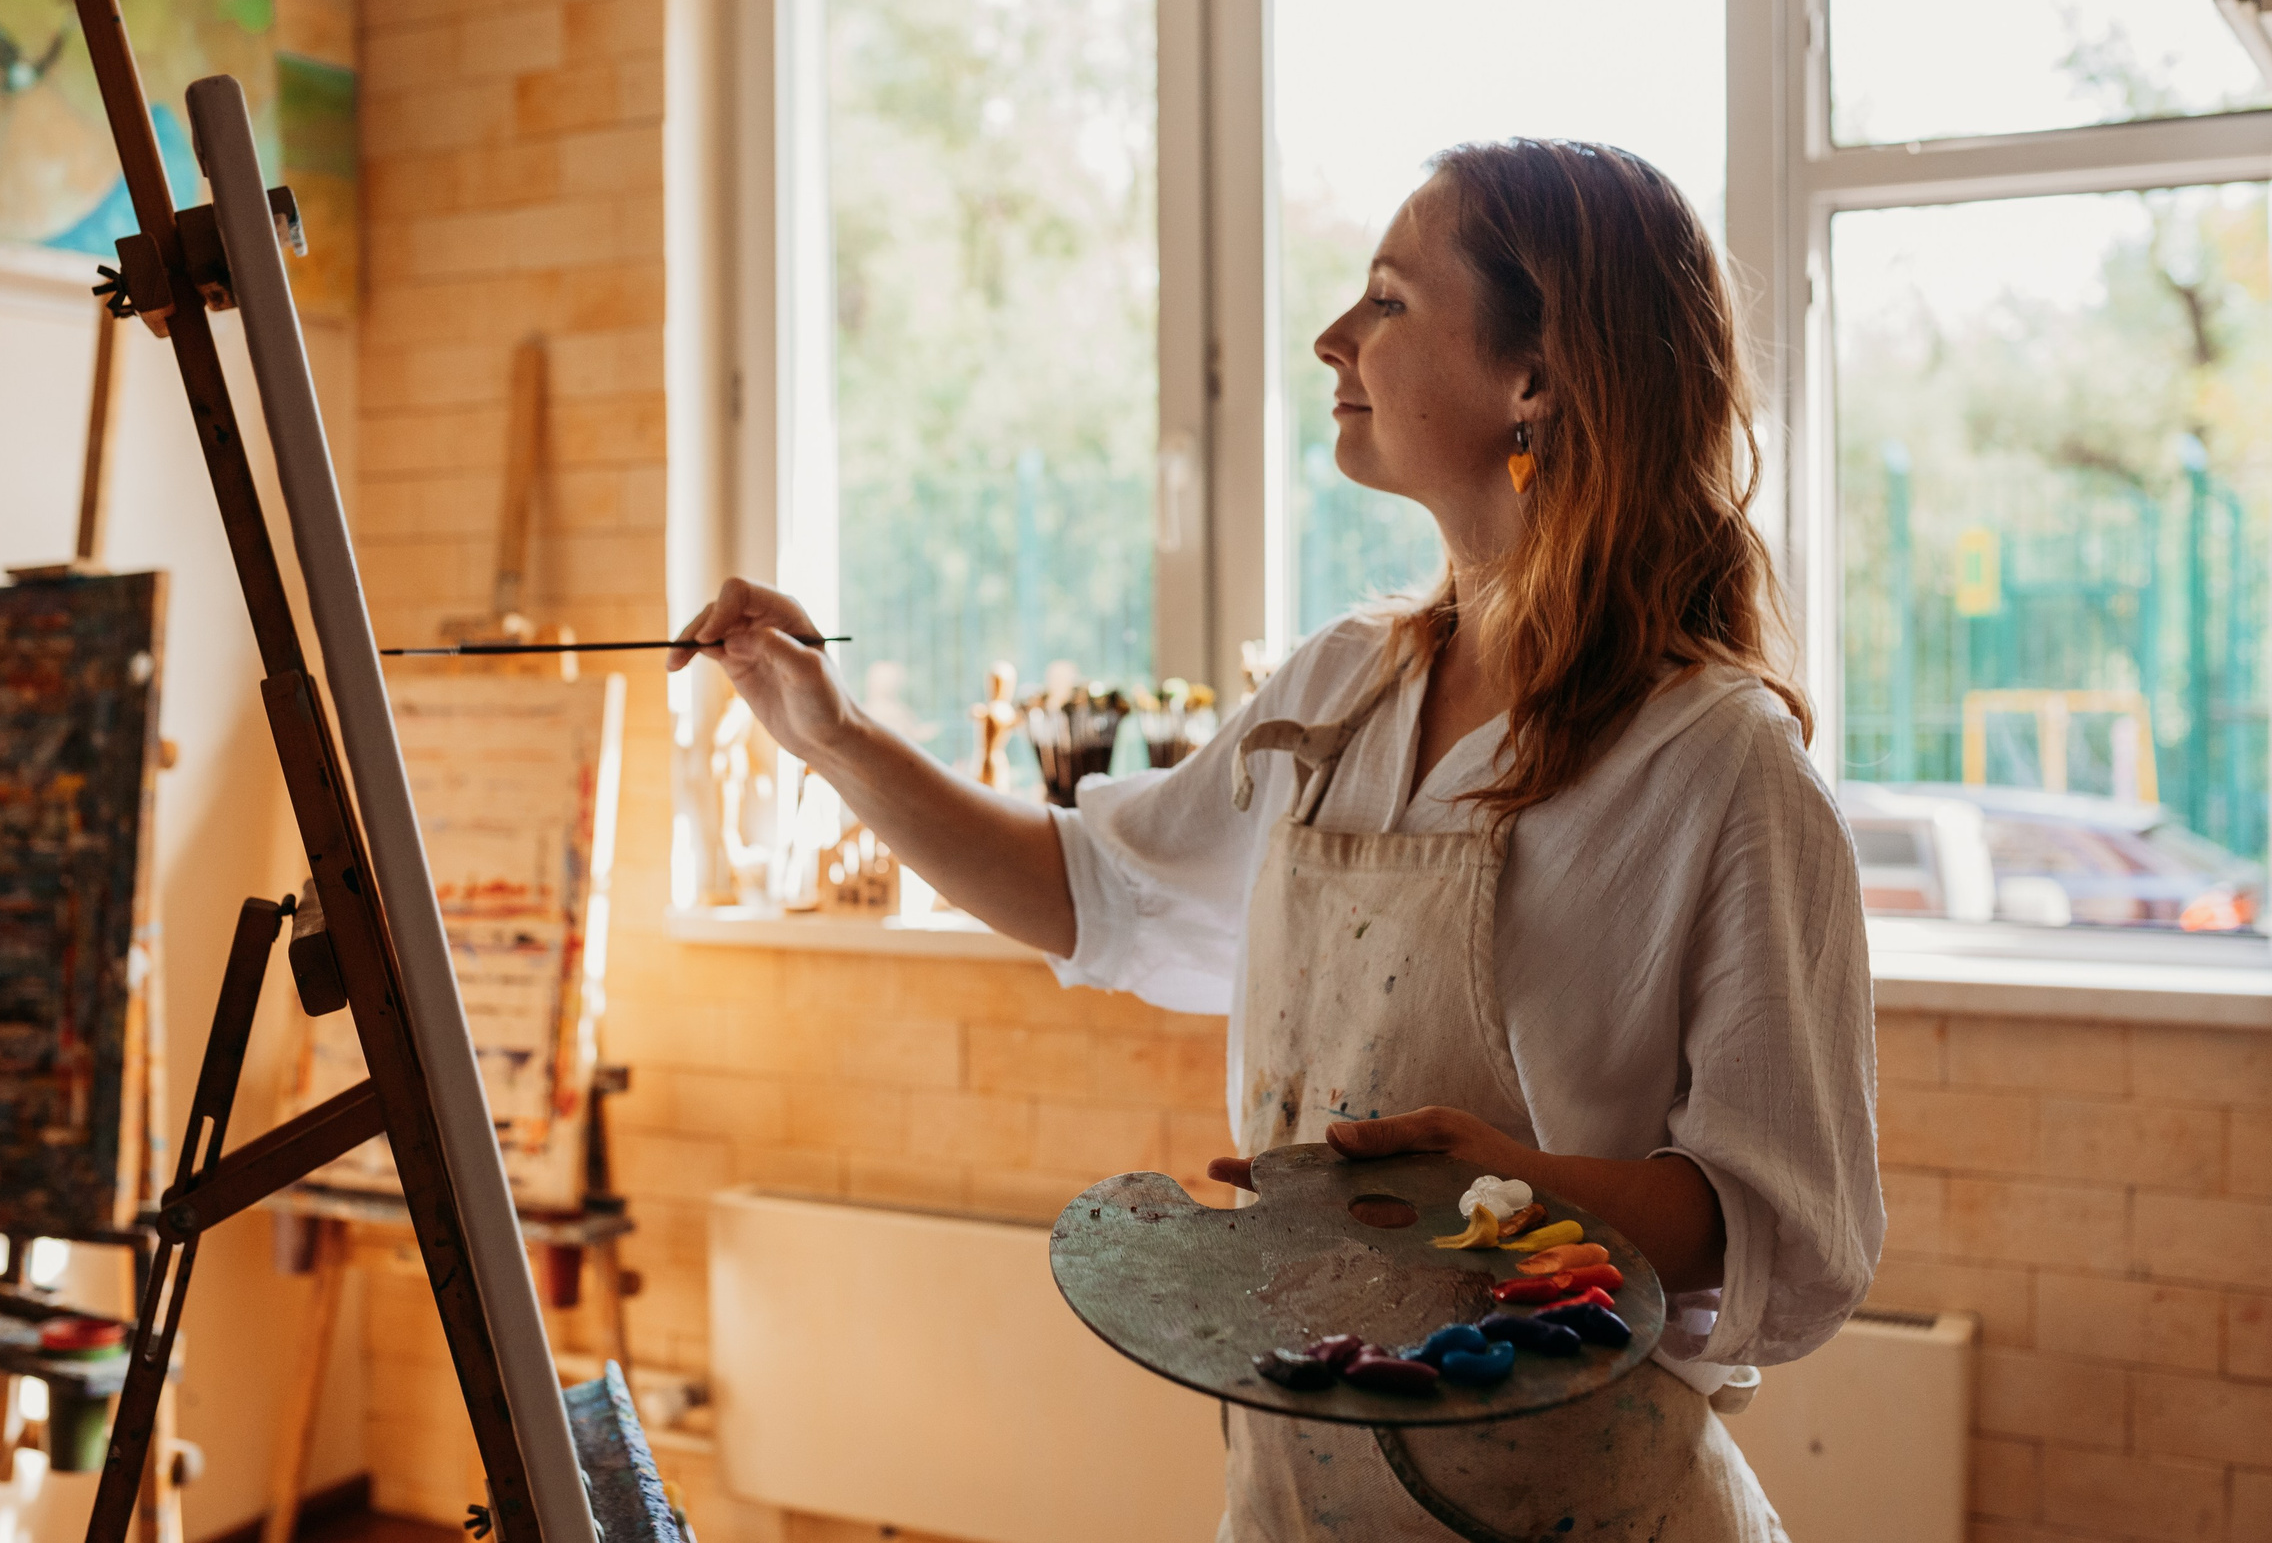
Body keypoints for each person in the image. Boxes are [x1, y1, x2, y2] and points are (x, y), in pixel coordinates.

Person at [671, 137, 1882, 1541]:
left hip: (1585, 1508)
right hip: (1300, 1494)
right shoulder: (1342, 691)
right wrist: (828, 735)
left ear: (1535, 379)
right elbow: (1095, 889)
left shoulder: (1719, 764)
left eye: (1388, 300)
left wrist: (1501, 1189)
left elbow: (1786, 1221)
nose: (1333, 337)